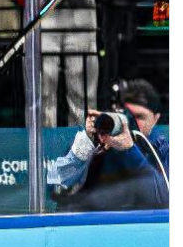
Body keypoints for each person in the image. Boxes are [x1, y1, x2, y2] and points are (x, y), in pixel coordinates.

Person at [46, 79, 169, 211]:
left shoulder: (163, 151)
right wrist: (87, 142)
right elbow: (54, 186)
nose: (131, 122)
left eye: (139, 117)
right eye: (126, 115)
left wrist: (129, 150)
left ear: (155, 118)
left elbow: (164, 201)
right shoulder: (97, 145)